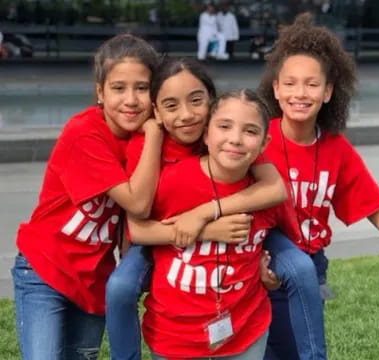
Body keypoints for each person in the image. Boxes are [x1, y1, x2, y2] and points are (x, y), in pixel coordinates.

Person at [257, 13, 379, 360]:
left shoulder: (336, 149)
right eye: (290, 83)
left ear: (327, 92)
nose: (299, 93)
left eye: (311, 84)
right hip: (262, 265)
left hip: (312, 267)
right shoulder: (258, 140)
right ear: (275, 88)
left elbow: (372, 206)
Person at [106, 57, 288, 360]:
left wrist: (206, 212)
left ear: (211, 102)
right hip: (157, 235)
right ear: (157, 111)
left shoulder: (230, 138)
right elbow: (138, 225)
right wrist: (207, 230)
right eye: (171, 105)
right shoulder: (152, 145)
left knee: (299, 269)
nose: (187, 115)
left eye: (196, 101)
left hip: (235, 235)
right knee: (121, 287)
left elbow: (275, 189)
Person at [10, 34, 163, 360]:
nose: (131, 100)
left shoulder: (141, 143)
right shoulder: (85, 133)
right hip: (45, 271)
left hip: (93, 281)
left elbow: (133, 222)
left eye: (142, 88)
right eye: (118, 88)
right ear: (100, 92)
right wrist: (153, 131)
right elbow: (138, 203)